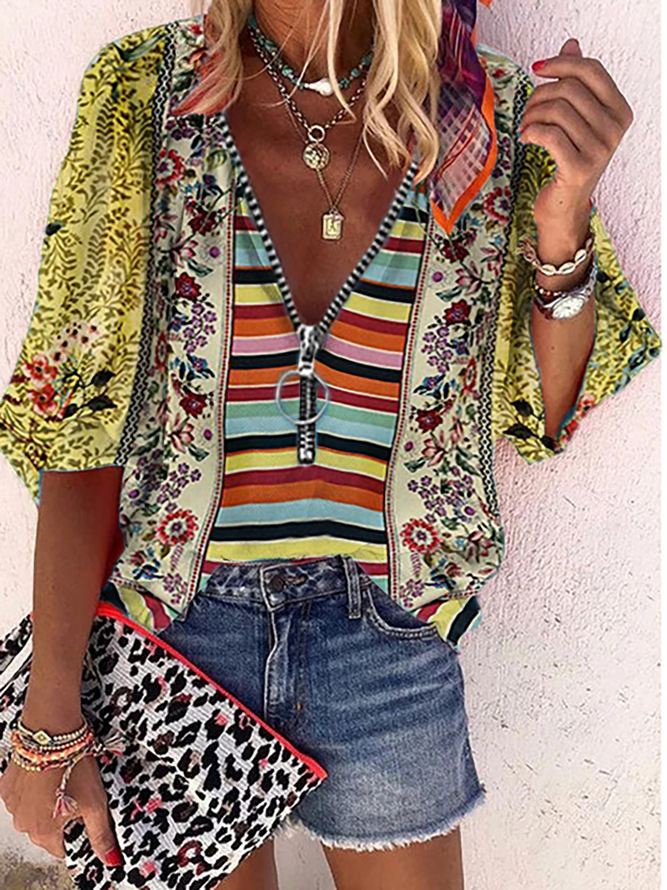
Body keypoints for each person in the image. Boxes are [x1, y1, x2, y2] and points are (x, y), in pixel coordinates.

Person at [0, 1, 661, 888]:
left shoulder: (484, 113)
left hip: (385, 640)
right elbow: (77, 419)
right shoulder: (144, 96)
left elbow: (545, 411)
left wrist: (564, 214)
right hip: (174, 636)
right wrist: (49, 716)